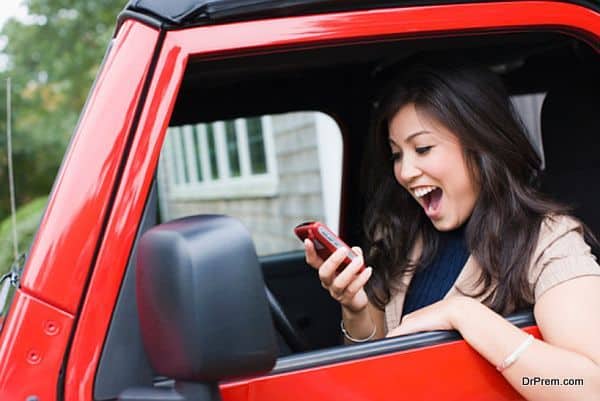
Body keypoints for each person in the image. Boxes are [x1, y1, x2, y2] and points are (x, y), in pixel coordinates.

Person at [303, 59, 600, 400]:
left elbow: (585, 389)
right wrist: (356, 308)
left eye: (423, 149)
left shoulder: (548, 241)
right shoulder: (401, 232)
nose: (405, 172)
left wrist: (464, 315)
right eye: (397, 154)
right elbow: (380, 367)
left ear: (481, 144)